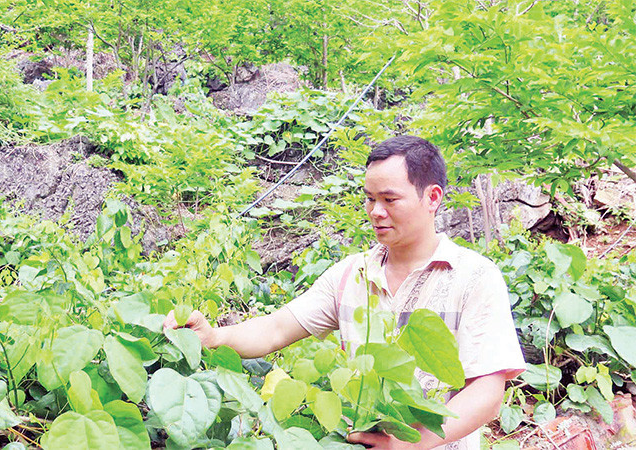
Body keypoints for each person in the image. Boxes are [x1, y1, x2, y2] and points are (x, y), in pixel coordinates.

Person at [163, 135, 526, 449]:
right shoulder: (352, 273)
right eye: (369, 198)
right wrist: (214, 336)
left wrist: (409, 443)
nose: (376, 211)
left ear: (432, 197)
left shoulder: (475, 277)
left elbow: (487, 392)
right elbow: (276, 328)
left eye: (390, 199)